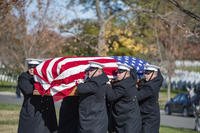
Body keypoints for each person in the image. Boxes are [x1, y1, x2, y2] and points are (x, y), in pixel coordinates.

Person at [17, 60, 58, 133]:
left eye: (35, 67)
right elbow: (28, 89)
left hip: (46, 109)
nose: (32, 69)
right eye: (30, 67)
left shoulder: (46, 76)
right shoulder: (24, 76)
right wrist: (42, 87)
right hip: (31, 109)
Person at [106, 63, 142, 133]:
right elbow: (133, 73)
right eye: (117, 72)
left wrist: (108, 85)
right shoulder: (131, 80)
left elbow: (111, 96)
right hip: (129, 118)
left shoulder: (123, 85)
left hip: (127, 121)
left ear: (127, 73)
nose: (118, 74)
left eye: (120, 72)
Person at [76, 61, 109, 133]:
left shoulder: (97, 83)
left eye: (92, 70)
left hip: (95, 121)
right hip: (91, 119)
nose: (89, 72)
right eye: (89, 70)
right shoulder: (97, 81)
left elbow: (81, 89)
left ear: (99, 72)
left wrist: (80, 83)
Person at [136, 64, 163, 133]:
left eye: (148, 73)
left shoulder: (152, 86)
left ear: (154, 74)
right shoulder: (148, 83)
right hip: (145, 115)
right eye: (145, 72)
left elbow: (138, 96)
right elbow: (142, 86)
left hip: (150, 117)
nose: (145, 75)